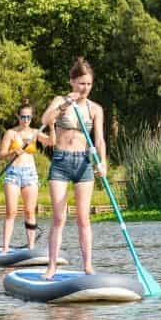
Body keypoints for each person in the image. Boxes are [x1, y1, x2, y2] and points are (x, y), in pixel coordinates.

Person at [39, 57, 108, 279]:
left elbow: (99, 140)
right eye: (80, 83)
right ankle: (51, 267)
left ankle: (87, 266)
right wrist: (64, 105)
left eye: (88, 84)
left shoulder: (95, 109)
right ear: (72, 82)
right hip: (61, 162)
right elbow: (45, 118)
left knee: (83, 218)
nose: (84, 88)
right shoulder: (60, 100)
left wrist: (102, 162)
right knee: (59, 218)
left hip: (84, 163)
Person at [0, 100, 51, 253]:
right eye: (23, 117)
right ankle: (6, 247)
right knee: (11, 212)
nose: (26, 120)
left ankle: (31, 247)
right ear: (17, 116)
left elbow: (51, 142)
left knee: (29, 211)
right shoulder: (11, 133)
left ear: (32, 117)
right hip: (13, 173)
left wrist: (52, 127)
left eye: (28, 117)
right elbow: (1, 155)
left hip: (30, 174)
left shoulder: (35, 132)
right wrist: (13, 152)